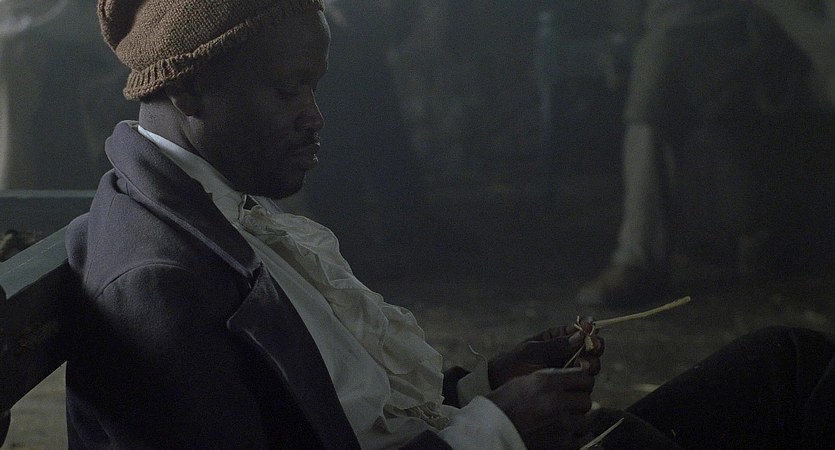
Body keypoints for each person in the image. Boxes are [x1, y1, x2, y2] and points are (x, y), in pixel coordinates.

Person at [65, 0, 835, 448]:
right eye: (287, 90)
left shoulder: (215, 208)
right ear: (191, 90)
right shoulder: (159, 283)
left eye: (314, 87)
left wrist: (484, 383)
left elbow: (350, 407)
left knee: (786, 358)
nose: (314, 117)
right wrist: (495, 430)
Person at [576, 0, 835, 306]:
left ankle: (763, 238)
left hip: (780, 35)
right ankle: (638, 258)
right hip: (691, 40)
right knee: (656, 71)